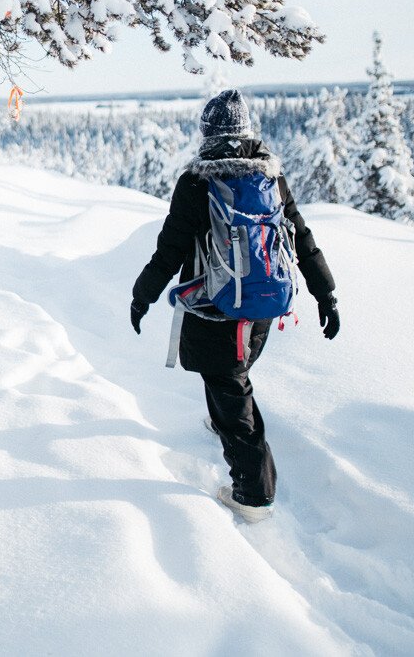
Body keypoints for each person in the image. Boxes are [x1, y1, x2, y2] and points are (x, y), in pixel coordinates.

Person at [130, 89, 340, 521]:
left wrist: (142, 294)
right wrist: (326, 293)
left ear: (208, 132)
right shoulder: (270, 178)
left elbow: (169, 251)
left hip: (216, 309)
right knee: (230, 378)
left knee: (231, 391)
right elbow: (301, 238)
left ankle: (253, 496)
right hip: (263, 306)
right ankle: (223, 421)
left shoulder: (196, 183)